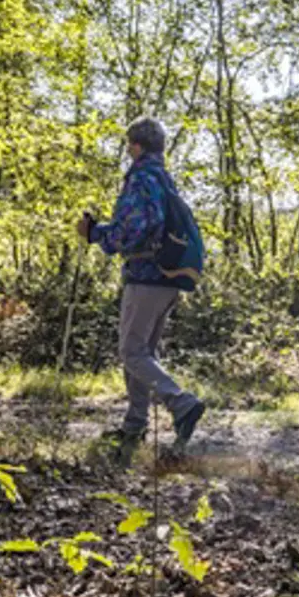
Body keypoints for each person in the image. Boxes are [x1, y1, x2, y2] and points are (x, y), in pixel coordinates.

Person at [81, 116, 206, 460]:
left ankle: (181, 404)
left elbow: (130, 231)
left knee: (132, 352)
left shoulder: (141, 178)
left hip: (146, 275)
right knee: (142, 353)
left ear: (136, 146)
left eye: (128, 145)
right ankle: (134, 424)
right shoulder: (165, 180)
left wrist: (96, 235)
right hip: (171, 277)